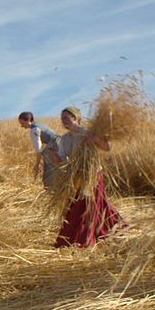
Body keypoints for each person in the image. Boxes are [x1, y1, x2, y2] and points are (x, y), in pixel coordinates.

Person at [49, 106, 124, 248]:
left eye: (66, 117)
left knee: (88, 205)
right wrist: (53, 156)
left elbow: (107, 147)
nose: (63, 121)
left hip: (92, 175)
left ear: (76, 118)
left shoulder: (87, 132)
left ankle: (84, 238)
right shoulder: (64, 139)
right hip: (77, 178)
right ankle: (113, 227)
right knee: (90, 205)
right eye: (62, 118)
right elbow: (63, 162)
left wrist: (95, 139)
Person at [18, 111, 60, 188]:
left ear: (27, 120)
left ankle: (50, 189)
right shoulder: (40, 125)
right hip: (61, 143)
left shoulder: (34, 130)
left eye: (22, 123)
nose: (21, 126)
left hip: (54, 145)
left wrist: (37, 165)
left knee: (48, 174)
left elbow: (39, 150)